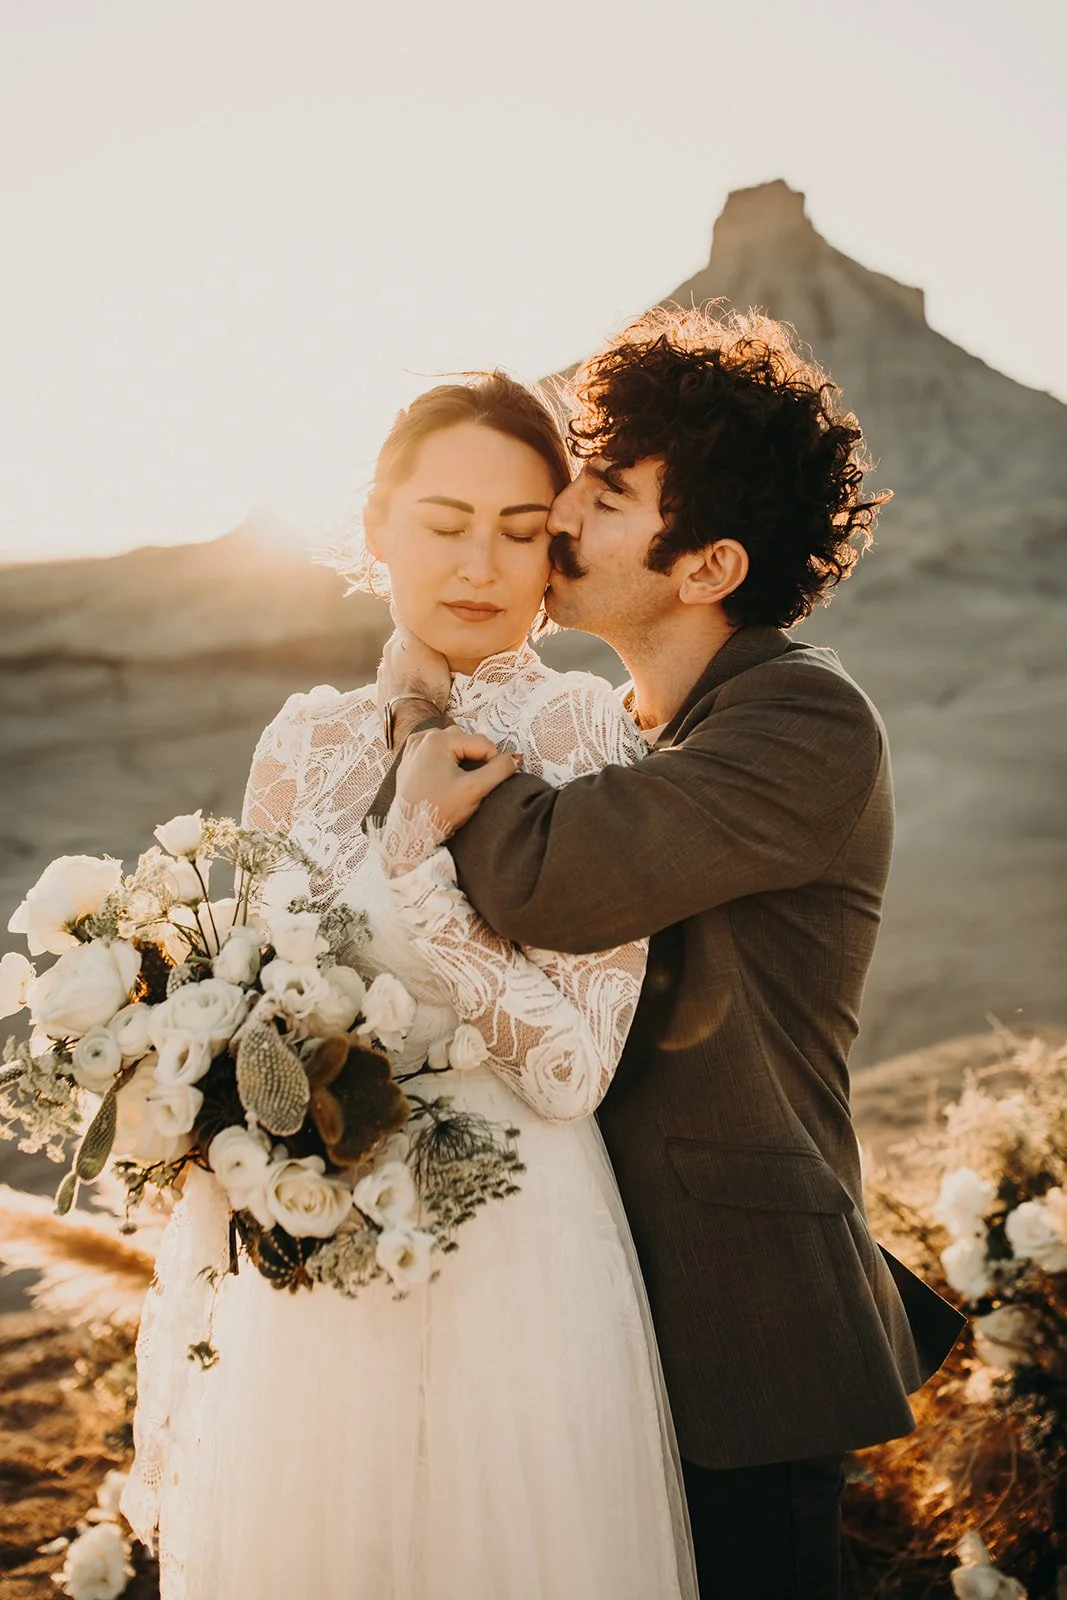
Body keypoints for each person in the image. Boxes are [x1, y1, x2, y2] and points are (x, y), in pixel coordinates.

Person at [371, 307, 966, 1600]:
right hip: (590, 1311)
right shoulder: (634, 719)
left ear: (703, 569)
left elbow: (545, 876)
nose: (563, 514)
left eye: (612, 492)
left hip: (737, 1326)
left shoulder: (801, 722)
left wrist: (428, 711)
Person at [122, 372, 697, 1600]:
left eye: (520, 529)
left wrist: (413, 870)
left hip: (517, 1252)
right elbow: (256, 991)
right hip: (313, 1249)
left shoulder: (586, 728)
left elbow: (570, 1067)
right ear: (375, 523)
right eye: (443, 523)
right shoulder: (305, 737)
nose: (479, 563)